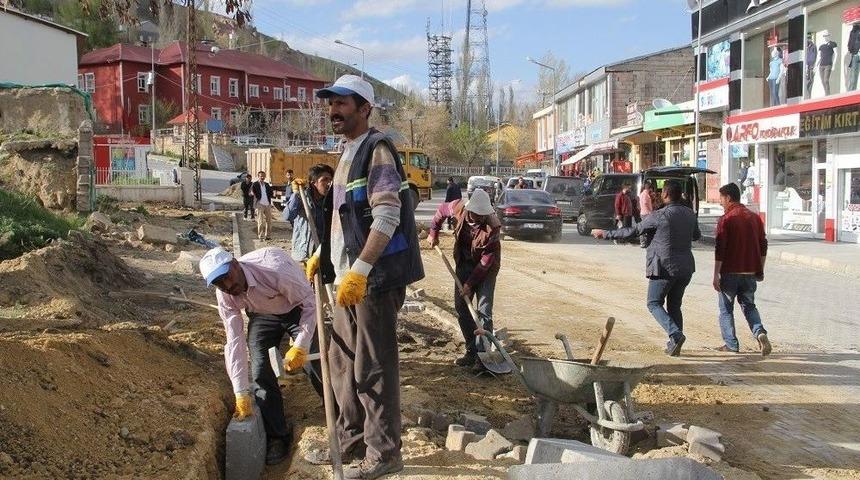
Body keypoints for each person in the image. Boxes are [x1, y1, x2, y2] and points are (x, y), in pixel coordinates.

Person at [304, 75, 425, 479]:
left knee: (372, 368)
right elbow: (347, 220)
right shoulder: (347, 153)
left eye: (343, 104)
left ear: (365, 109)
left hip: (373, 280)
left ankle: (385, 453)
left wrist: (360, 269)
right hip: (347, 280)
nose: (334, 111)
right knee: (340, 363)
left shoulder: (377, 151)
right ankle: (350, 443)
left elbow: (387, 214)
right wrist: (324, 255)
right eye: (331, 104)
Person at [198, 246, 323, 466]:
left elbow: (310, 305)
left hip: (296, 308)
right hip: (262, 315)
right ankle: (278, 435)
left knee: (314, 361)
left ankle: (342, 412)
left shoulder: (274, 270)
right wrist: (239, 391)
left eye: (227, 276)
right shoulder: (225, 295)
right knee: (259, 370)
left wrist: (301, 345)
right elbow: (234, 340)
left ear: (236, 264)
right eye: (219, 283)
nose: (228, 286)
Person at [591, 180, 701, 356]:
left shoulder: (660, 215)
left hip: (664, 266)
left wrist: (605, 234)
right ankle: (675, 343)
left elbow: (633, 231)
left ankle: (675, 334)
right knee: (674, 305)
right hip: (685, 267)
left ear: (665, 194)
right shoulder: (689, 213)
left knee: (653, 302)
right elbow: (696, 235)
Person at [427, 188, 501, 372]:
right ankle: (471, 351)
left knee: (483, 311)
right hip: (463, 263)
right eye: (479, 214)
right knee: (461, 307)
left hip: (486, 270)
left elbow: (486, 260)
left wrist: (470, 284)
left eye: (485, 214)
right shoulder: (457, 207)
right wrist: (433, 232)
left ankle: (482, 357)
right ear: (472, 210)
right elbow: (440, 212)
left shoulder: (493, 226)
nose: (482, 217)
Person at [713, 183, 772, 356]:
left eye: (721, 199)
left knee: (726, 309)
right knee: (749, 306)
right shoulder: (755, 218)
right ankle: (760, 332)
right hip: (750, 273)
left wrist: (716, 274)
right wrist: (760, 269)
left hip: (729, 272)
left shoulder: (726, 219)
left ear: (728, 198)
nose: (720, 202)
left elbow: (720, 249)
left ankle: (731, 344)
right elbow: (763, 246)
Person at [285, 164, 336, 286]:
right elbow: (287, 216)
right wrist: (296, 194)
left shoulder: (331, 201)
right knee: (301, 295)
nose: (329, 183)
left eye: (330, 180)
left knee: (321, 296)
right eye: (324, 180)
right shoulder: (303, 197)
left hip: (320, 256)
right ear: (313, 183)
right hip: (302, 255)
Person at [252, 171, 274, 241]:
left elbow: (271, 193)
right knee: (260, 221)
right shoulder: (255, 184)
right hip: (260, 204)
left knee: (269, 221)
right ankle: (260, 236)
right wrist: (255, 197)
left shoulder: (267, 185)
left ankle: (268, 236)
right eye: (261, 176)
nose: (262, 177)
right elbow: (251, 192)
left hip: (267, 204)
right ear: (258, 176)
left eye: (263, 176)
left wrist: (271, 190)